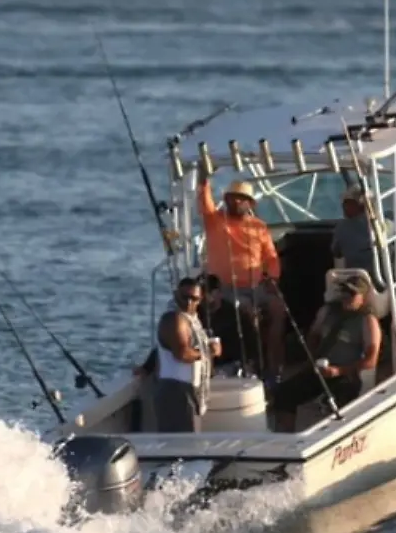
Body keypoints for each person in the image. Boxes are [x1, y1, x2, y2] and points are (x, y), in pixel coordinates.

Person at [197, 168, 285, 380]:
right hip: (227, 290)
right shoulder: (214, 220)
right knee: (247, 314)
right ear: (225, 200)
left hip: (256, 287)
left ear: (251, 203)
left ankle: (275, 365)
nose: (236, 202)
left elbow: (271, 257)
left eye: (242, 199)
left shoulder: (259, 227)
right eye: (232, 198)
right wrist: (204, 178)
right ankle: (254, 365)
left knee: (277, 310)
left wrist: (272, 279)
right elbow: (203, 202)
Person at [271, 271, 381, 432]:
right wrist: (312, 354)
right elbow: (314, 334)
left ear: (363, 297)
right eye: (345, 292)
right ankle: (285, 436)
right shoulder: (328, 311)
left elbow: (371, 359)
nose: (347, 297)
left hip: (344, 375)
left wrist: (339, 371)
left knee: (339, 402)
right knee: (284, 393)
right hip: (320, 370)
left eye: (352, 294)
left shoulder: (367, 321)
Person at [154, 277, 219, 433]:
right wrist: (210, 351)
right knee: (181, 447)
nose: (189, 302)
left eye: (194, 299)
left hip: (189, 389)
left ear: (200, 299)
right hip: (176, 390)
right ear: (176, 294)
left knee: (190, 442)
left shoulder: (192, 319)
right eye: (185, 297)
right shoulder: (174, 318)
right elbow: (182, 354)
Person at [332, 181, 380, 286]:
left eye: (347, 202)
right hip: (377, 281)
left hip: (353, 279)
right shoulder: (381, 225)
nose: (343, 205)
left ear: (360, 205)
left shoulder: (341, 228)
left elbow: (336, 252)